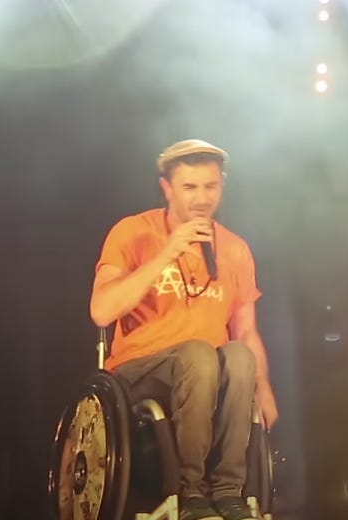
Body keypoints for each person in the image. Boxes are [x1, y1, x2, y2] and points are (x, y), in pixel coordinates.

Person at [89, 139, 279, 520]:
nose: (202, 198)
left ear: (222, 186)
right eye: (190, 187)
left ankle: (228, 490)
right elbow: (102, 311)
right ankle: (191, 491)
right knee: (198, 354)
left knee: (238, 357)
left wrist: (264, 387)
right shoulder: (133, 232)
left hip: (208, 372)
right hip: (141, 370)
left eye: (211, 186)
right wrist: (168, 252)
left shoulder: (235, 249)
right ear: (167, 188)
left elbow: (246, 330)